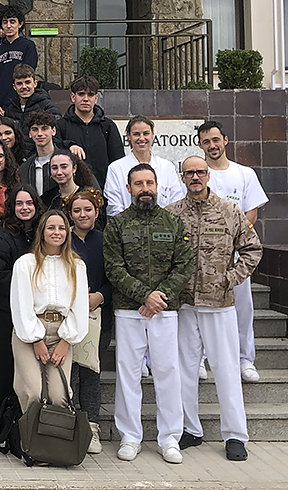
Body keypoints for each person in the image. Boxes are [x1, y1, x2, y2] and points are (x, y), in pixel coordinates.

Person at [167, 156, 262, 462]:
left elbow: (252, 249)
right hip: (184, 305)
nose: (195, 177)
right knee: (183, 370)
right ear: (182, 178)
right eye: (189, 173)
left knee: (227, 371)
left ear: (208, 175)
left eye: (199, 172)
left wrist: (231, 278)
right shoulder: (171, 214)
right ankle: (189, 429)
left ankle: (235, 435)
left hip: (219, 304)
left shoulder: (229, 211)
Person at [104, 163, 195, 464]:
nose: (145, 188)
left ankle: (170, 438)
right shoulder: (116, 226)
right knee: (128, 374)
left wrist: (158, 298)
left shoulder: (173, 223)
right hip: (129, 310)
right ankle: (130, 437)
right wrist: (144, 295)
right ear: (128, 189)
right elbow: (114, 268)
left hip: (164, 311)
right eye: (138, 183)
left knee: (168, 372)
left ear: (158, 186)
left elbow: (184, 266)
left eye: (149, 183)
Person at [197, 120, 269, 383]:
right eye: (206, 142)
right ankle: (201, 359)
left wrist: (233, 238)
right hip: (204, 256)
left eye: (216, 140)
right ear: (200, 145)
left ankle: (245, 360)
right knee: (201, 307)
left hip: (237, 255)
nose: (212, 146)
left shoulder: (244, 174)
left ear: (225, 140)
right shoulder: (200, 174)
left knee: (242, 306)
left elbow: (251, 212)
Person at [9, 210, 89, 435]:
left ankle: (55, 443)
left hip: (62, 332)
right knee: (33, 391)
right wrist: (36, 339)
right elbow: (21, 304)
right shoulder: (26, 264)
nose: (57, 232)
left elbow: (79, 305)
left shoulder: (76, 265)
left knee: (58, 394)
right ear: (42, 232)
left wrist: (66, 340)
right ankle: (32, 442)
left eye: (61, 228)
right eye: (51, 228)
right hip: (30, 331)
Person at [0, 185, 40, 442]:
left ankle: (27, 430)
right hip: (7, 313)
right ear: (11, 207)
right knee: (4, 371)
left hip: (37, 315)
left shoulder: (41, 234)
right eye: (19, 204)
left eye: (29, 203)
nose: (25, 208)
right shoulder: (2, 237)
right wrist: (30, 292)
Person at [67, 190, 112, 455]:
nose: (82, 215)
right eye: (76, 211)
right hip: (67, 318)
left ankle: (91, 427)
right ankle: (70, 426)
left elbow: (115, 275)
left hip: (98, 318)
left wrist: (101, 295)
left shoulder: (105, 242)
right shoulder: (63, 240)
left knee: (91, 374)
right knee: (69, 374)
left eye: (87, 210)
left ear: (96, 212)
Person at [103, 116, 185, 218]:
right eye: (136, 134)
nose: (141, 138)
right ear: (128, 136)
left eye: (146, 133)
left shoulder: (167, 167)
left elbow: (176, 202)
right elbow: (114, 206)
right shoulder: (116, 168)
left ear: (152, 134)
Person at [56, 75, 125, 189]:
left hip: (104, 191)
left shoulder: (108, 126)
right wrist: (69, 146)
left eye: (90, 94)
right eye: (81, 94)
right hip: (71, 191)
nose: (86, 99)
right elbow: (54, 152)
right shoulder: (61, 125)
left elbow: (118, 162)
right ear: (73, 97)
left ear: (96, 98)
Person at [0, 7, 37, 111]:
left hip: (22, 99)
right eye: (5, 22)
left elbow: (28, 72)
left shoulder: (28, 46)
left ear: (20, 24)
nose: (8, 26)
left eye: (12, 22)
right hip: (1, 102)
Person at [45, 149, 106, 215]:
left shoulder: (89, 195)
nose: (59, 172)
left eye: (64, 167)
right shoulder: (47, 199)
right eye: (54, 168)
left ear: (74, 168)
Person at [20, 111, 62, 198]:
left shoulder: (67, 162)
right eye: (35, 129)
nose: (39, 134)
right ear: (30, 134)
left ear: (53, 131)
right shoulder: (24, 168)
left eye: (44, 128)